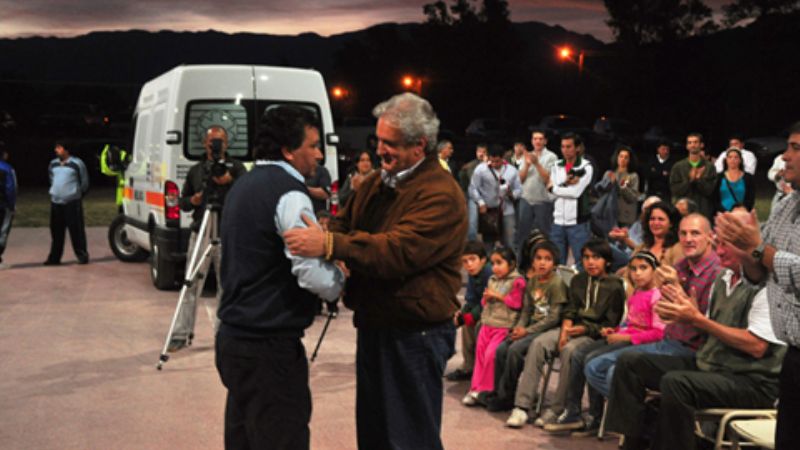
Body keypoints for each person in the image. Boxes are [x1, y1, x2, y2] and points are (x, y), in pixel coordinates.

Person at [284, 92, 467, 450]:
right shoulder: (378, 183)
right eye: (378, 141)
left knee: (409, 438)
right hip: (377, 323)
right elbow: (343, 223)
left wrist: (332, 247)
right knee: (375, 434)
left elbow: (398, 251)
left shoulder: (441, 194)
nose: (381, 151)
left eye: (390, 144)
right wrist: (329, 236)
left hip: (415, 333)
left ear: (421, 146)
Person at [215, 106, 345, 450]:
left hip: (234, 340)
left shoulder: (243, 185)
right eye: (313, 145)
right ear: (288, 150)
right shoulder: (289, 192)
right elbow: (309, 272)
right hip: (268, 348)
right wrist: (339, 281)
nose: (319, 154)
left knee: (244, 438)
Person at [605, 233, 785, 450]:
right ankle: (633, 443)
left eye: (725, 246)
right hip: (713, 366)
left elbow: (756, 346)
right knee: (629, 362)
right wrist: (685, 312)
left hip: (752, 380)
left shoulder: (768, 288)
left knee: (676, 383)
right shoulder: (723, 278)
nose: (718, 252)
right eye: (717, 245)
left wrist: (697, 318)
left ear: (748, 248)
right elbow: (710, 327)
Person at [714, 121, 800, 450]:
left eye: (795, 148)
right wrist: (744, 249)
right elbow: (759, 274)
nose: (785, 156)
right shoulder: (787, 205)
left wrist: (757, 249)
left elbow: (768, 255)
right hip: (793, 358)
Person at [508, 239, 625, 428]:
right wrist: (564, 331)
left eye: (596, 257)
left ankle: (557, 409)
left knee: (570, 351)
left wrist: (585, 329)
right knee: (538, 343)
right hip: (570, 328)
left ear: (607, 261)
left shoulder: (615, 285)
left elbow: (611, 323)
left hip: (593, 334)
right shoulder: (578, 280)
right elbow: (570, 310)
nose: (590, 262)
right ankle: (522, 406)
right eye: (586, 257)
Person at [555, 251, 665, 435]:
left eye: (643, 268)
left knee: (592, 360)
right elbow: (631, 324)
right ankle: (585, 413)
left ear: (655, 271)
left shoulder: (657, 296)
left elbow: (659, 333)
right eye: (633, 269)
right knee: (581, 354)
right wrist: (615, 331)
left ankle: (627, 407)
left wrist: (626, 337)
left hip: (640, 345)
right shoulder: (636, 293)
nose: (637, 273)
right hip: (627, 338)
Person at [170, 126, 247, 352]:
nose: (216, 145)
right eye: (212, 141)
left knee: (227, 285)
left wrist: (229, 181)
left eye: (220, 141)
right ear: (205, 143)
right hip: (201, 231)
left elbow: (245, 195)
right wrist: (193, 201)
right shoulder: (196, 170)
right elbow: (181, 202)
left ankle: (224, 333)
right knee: (191, 283)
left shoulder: (237, 168)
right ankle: (181, 333)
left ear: (227, 144)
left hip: (227, 232)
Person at [488, 240, 567, 413]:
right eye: (538, 258)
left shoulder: (557, 284)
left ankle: (508, 396)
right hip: (529, 326)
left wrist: (527, 331)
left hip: (546, 329)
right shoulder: (532, 282)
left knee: (515, 350)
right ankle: (499, 392)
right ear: (532, 261)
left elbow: (554, 318)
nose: (542, 262)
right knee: (502, 349)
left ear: (554, 263)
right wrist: (519, 327)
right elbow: (526, 310)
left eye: (547, 259)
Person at [462, 247, 525, 405]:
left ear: (511, 264)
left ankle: (487, 390)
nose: (495, 267)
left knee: (491, 356)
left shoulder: (517, 281)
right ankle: (475, 388)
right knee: (481, 356)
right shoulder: (492, 280)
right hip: (487, 324)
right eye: (493, 263)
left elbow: (516, 303)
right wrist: (486, 299)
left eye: (500, 263)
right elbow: (484, 302)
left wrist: (497, 296)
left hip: (503, 326)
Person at [446, 241, 492, 382]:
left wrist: (470, 316)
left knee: (475, 325)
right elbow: (471, 299)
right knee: (463, 323)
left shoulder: (490, 272)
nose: (469, 265)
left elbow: (486, 302)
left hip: (494, 311)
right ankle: (469, 366)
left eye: (472, 259)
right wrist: (462, 313)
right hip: (482, 308)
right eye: (465, 261)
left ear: (483, 260)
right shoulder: (473, 273)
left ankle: (481, 368)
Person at [547, 133, 593, 268]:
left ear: (577, 148)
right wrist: (563, 184)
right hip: (557, 221)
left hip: (577, 222)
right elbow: (551, 196)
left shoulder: (586, 167)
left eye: (569, 147)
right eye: (563, 147)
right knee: (556, 262)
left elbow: (575, 193)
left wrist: (553, 188)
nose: (565, 150)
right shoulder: (556, 165)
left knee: (581, 262)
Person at [44, 142, 89, 265]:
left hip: (72, 202)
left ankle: (82, 255)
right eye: (56, 147)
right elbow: (51, 178)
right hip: (56, 202)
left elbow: (84, 182)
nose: (56, 150)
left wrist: (76, 194)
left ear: (66, 150)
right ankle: (54, 258)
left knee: (76, 231)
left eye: (59, 147)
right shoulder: (53, 164)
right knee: (56, 231)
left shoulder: (77, 164)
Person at [469, 144, 522, 249]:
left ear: (502, 158)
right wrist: (481, 203)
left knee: (510, 241)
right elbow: (473, 188)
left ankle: (510, 263)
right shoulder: (481, 169)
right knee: (488, 242)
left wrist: (512, 194)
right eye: (491, 161)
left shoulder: (512, 171)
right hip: (489, 211)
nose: (494, 164)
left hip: (507, 210)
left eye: (497, 161)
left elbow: (519, 190)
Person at [515, 129, 558, 259]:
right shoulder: (525, 155)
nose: (537, 141)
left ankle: (551, 260)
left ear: (545, 141)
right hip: (526, 199)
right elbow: (520, 180)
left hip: (543, 201)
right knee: (522, 234)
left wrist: (537, 163)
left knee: (546, 233)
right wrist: (527, 165)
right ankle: (521, 262)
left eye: (540, 138)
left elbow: (548, 179)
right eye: (535, 139)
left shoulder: (551, 157)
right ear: (532, 141)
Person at [610, 200, 683, 268]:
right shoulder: (643, 246)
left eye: (661, 219)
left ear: (671, 223)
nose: (655, 223)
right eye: (652, 219)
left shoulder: (677, 249)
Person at [669, 133, 717, 221]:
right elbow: (675, 190)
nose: (693, 145)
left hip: (703, 210)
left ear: (701, 145)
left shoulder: (709, 167)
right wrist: (690, 181)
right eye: (690, 143)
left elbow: (710, 191)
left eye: (695, 142)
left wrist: (698, 180)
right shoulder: (678, 166)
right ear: (687, 146)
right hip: (682, 212)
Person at [595, 146, 641, 228]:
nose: (623, 159)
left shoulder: (633, 176)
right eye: (621, 156)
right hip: (609, 213)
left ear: (630, 160)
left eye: (626, 157)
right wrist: (609, 184)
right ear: (617, 157)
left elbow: (633, 197)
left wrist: (621, 187)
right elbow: (601, 193)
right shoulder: (609, 173)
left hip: (625, 216)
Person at [712, 147, 755, 213]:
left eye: (736, 157)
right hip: (722, 215)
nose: (733, 160)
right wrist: (725, 212)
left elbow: (750, 199)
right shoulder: (719, 177)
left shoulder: (748, 178)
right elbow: (715, 199)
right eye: (730, 157)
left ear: (740, 160)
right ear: (726, 160)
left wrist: (741, 211)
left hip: (742, 215)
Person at [460, 143, 488, 241]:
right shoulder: (471, 165)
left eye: (484, 152)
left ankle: (490, 239)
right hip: (474, 194)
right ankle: (472, 240)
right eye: (479, 152)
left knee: (489, 220)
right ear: (476, 153)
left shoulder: (492, 164)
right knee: (473, 218)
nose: (481, 154)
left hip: (489, 194)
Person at [0, 147, 16, 269]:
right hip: (3, 205)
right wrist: (11, 205)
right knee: (2, 231)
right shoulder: (7, 168)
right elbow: (11, 188)